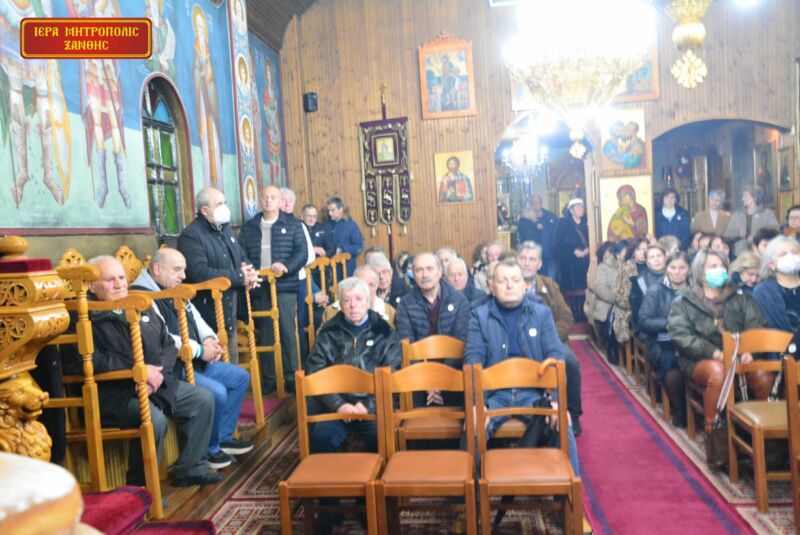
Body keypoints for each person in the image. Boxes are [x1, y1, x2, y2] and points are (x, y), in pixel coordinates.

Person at [84, 256, 221, 487]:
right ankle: (141, 489)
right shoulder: (84, 316)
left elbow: (167, 344)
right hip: (117, 392)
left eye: (121, 277)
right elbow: (91, 361)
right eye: (110, 279)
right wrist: (136, 372)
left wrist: (156, 374)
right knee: (154, 420)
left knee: (202, 399)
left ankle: (191, 468)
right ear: (91, 285)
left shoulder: (139, 303)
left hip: (156, 382)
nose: (119, 284)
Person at [132, 248, 252, 469]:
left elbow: (195, 316)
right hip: (175, 365)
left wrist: (209, 339)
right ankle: (211, 449)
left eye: (184, 270)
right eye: (177, 270)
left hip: (195, 357)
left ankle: (223, 437)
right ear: (157, 269)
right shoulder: (142, 297)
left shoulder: (173, 287)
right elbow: (166, 338)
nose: (184, 276)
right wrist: (199, 350)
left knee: (240, 378)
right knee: (217, 392)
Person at [464, 258, 580, 473]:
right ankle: (474, 491)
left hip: (534, 394)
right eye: (502, 281)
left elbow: (556, 357)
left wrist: (556, 400)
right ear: (491, 286)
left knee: (562, 423)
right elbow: (472, 360)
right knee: (472, 429)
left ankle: (568, 487)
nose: (509, 285)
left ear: (524, 285)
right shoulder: (478, 316)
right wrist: (475, 403)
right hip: (494, 395)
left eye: (515, 280)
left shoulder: (541, 313)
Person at [667, 249, 766, 467]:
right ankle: (718, 446)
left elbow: (756, 325)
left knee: (764, 376)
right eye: (713, 266)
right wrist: (716, 353)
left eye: (722, 266)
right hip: (700, 359)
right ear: (701, 271)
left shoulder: (740, 296)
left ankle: (769, 446)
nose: (719, 270)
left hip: (740, 355)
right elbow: (682, 336)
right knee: (718, 372)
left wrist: (750, 351)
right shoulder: (684, 301)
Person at [306, 277, 402, 454]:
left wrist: (368, 406)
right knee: (322, 436)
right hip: (336, 406)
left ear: (368, 301)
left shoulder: (385, 331)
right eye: (347, 300)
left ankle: (374, 471)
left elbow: (393, 372)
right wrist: (339, 405)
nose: (353, 305)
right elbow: (315, 372)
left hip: (373, 406)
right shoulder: (328, 332)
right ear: (340, 305)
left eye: (358, 299)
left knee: (381, 435)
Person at [178, 187, 261, 363]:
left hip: (231, 304)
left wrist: (249, 272)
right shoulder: (191, 235)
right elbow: (199, 272)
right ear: (204, 210)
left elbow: (241, 257)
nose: (224, 207)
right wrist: (239, 277)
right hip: (209, 307)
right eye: (219, 204)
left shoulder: (225, 229)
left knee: (232, 357)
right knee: (219, 361)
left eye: (225, 202)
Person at [239, 185, 308, 394]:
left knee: (287, 331)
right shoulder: (249, 227)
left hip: (284, 285)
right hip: (260, 286)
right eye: (265, 197)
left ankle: (291, 376)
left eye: (273, 197)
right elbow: (241, 253)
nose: (269, 201)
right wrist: (249, 270)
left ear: (279, 201)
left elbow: (302, 252)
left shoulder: (293, 224)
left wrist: (286, 266)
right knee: (266, 333)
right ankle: (269, 378)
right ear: (259, 200)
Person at [517, 242, 584, 434]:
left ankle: (573, 413)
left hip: (551, 340)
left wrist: (549, 338)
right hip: (520, 342)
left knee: (570, 362)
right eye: (523, 258)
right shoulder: (510, 284)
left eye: (532, 259)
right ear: (516, 261)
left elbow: (566, 317)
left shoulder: (549, 285)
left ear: (539, 264)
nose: (527, 263)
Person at [638, 253, 691, 427]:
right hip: (662, 342)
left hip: (691, 340)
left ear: (689, 269)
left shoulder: (695, 289)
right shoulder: (656, 290)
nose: (677, 272)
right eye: (673, 268)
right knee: (672, 366)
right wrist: (670, 323)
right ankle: (679, 411)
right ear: (666, 269)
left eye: (682, 268)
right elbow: (644, 320)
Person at [396, 252, 471, 344]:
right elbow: (407, 343)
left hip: (453, 353)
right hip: (418, 353)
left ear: (440, 272)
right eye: (419, 270)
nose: (424, 275)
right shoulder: (405, 304)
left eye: (429, 269)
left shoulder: (459, 301)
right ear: (413, 275)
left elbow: (462, 342)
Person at [280, 187, 317, 357]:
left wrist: (290, 265)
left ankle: (300, 361)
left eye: (291, 201)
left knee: (297, 322)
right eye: (283, 200)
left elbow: (310, 256)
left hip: (297, 280)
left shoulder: (298, 225)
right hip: (273, 282)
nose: (287, 204)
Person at [753, 235, 800, 361]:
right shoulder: (763, 292)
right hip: (780, 356)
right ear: (771, 265)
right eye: (783, 254)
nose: (790, 257)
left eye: (795, 252)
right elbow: (765, 329)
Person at [322, 265, 395, 327]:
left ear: (377, 286)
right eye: (362, 285)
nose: (367, 290)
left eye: (371, 285)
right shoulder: (331, 312)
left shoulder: (390, 312)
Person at [556, 198, 590, 321]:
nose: (581, 209)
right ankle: (576, 315)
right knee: (573, 290)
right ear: (571, 210)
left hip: (586, 262)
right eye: (577, 207)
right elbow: (559, 241)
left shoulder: (587, 223)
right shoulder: (563, 224)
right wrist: (574, 250)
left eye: (582, 207)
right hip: (570, 264)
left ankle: (584, 314)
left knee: (585, 288)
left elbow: (593, 238)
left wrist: (588, 249)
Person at [591, 241, 626, 360]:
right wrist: (617, 299)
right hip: (608, 304)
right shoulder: (604, 267)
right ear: (618, 254)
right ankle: (612, 346)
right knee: (615, 313)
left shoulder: (631, 267)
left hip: (628, 305)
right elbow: (600, 288)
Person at [612, 238, 649, 346]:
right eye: (638, 249)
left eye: (645, 249)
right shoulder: (625, 268)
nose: (642, 252)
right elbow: (617, 294)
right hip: (629, 311)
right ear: (633, 251)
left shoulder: (653, 267)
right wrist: (636, 307)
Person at [724, 185, 779, 256]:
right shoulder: (737, 215)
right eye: (742, 196)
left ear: (754, 198)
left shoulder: (767, 214)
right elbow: (727, 235)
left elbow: (775, 230)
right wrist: (738, 233)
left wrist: (757, 236)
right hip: (740, 255)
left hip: (761, 254)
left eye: (745, 196)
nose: (742, 199)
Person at [517, 195, 559, 278]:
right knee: (539, 280)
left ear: (541, 203)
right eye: (533, 202)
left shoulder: (551, 216)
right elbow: (525, 238)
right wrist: (534, 226)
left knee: (552, 279)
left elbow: (557, 234)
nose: (535, 204)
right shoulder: (526, 220)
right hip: (536, 256)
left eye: (537, 201)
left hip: (551, 255)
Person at [326, 196, 364, 277]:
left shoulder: (351, 225)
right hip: (329, 268)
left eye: (332, 210)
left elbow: (359, 247)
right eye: (329, 210)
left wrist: (341, 250)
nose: (329, 213)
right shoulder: (326, 225)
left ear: (341, 209)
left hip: (346, 268)